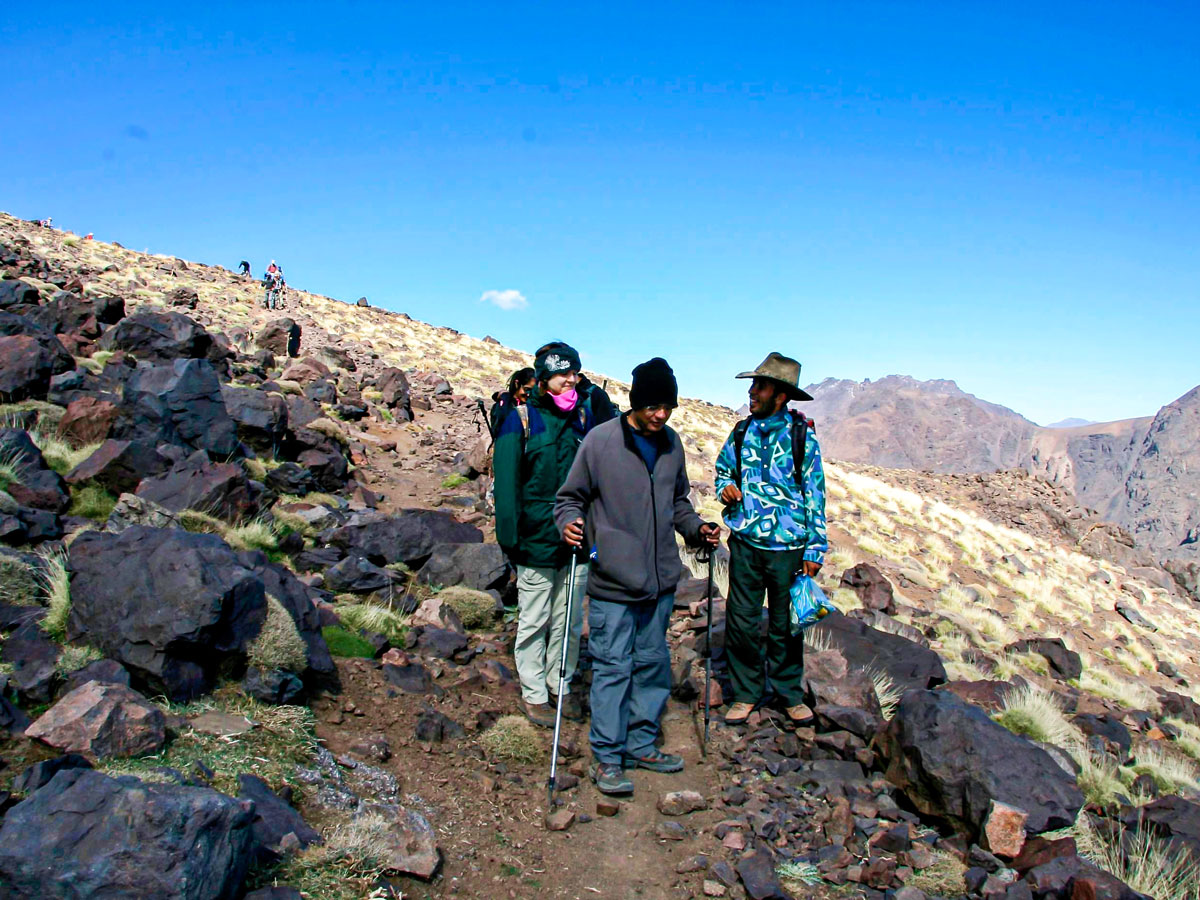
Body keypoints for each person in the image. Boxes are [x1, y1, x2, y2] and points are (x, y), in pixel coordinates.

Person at [555, 357, 720, 795]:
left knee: (652, 664)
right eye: (653, 406)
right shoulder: (600, 441)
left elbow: (678, 503)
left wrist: (695, 528)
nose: (661, 414)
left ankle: (642, 744)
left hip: (661, 581)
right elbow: (569, 499)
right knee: (612, 667)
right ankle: (608, 757)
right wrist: (571, 526)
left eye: (668, 406)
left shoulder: (672, 445)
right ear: (636, 402)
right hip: (612, 580)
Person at [714, 352, 827, 727]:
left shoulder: (801, 436)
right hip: (745, 545)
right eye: (753, 385)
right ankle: (745, 694)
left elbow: (815, 492)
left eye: (759, 386)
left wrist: (815, 546)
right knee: (742, 620)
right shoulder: (741, 432)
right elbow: (722, 471)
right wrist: (726, 487)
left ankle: (788, 694)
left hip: (789, 549)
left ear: (780, 395)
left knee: (785, 625)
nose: (752, 392)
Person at [493, 344, 597, 728]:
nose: (570, 380)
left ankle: (562, 684)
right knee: (535, 618)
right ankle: (535, 692)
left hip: (577, 539)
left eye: (575, 372)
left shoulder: (584, 416)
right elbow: (506, 485)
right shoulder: (520, 419)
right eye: (562, 374)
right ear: (543, 377)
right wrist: (511, 540)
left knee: (568, 618)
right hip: (535, 538)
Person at [534, 341, 618, 424]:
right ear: (545, 377)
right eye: (564, 373)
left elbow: (608, 435)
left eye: (574, 373)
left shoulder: (592, 398)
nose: (572, 379)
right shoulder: (530, 406)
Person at [488, 367, 536, 438]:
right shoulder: (503, 405)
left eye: (533, 391)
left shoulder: (533, 406)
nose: (529, 394)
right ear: (517, 384)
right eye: (526, 389)